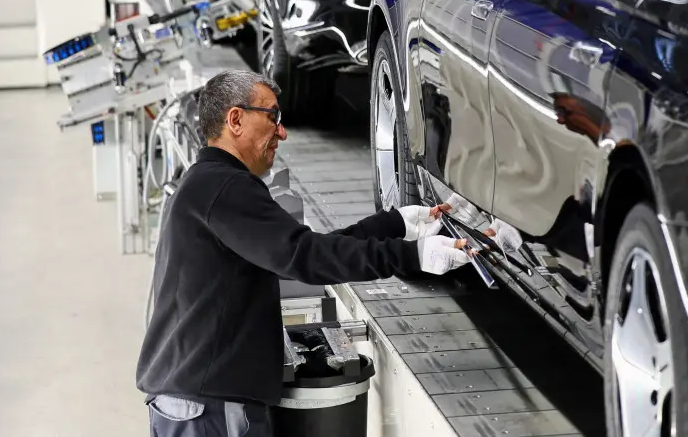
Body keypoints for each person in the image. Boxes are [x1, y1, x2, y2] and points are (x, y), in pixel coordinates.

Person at [136, 70, 473, 437]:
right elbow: (306, 256)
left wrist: (396, 224)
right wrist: (413, 256)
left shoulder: (206, 185)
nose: (282, 132)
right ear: (235, 119)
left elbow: (301, 247)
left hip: (194, 400)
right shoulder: (225, 188)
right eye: (272, 117)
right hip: (211, 407)